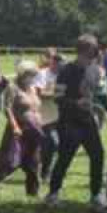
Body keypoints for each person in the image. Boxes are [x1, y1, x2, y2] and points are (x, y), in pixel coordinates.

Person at [44, 35, 107, 213]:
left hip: (87, 120)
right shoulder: (66, 71)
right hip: (68, 120)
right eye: (89, 53)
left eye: (94, 53)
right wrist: (75, 103)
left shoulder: (95, 69)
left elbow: (101, 95)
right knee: (65, 157)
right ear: (80, 52)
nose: (92, 57)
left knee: (98, 155)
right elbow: (57, 98)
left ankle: (96, 196)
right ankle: (52, 194)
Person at [0, 61, 43, 196]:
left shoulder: (33, 88)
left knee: (34, 163)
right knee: (10, 163)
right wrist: (15, 126)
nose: (31, 78)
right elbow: (7, 108)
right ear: (22, 74)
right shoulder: (13, 88)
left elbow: (36, 107)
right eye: (29, 75)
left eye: (33, 75)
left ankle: (32, 195)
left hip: (33, 131)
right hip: (18, 132)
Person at [35, 49, 62, 182]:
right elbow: (39, 93)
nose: (59, 68)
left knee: (52, 146)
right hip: (44, 116)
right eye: (58, 65)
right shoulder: (42, 74)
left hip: (59, 116)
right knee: (53, 143)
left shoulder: (63, 75)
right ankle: (44, 170)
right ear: (52, 63)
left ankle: (45, 171)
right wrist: (55, 94)